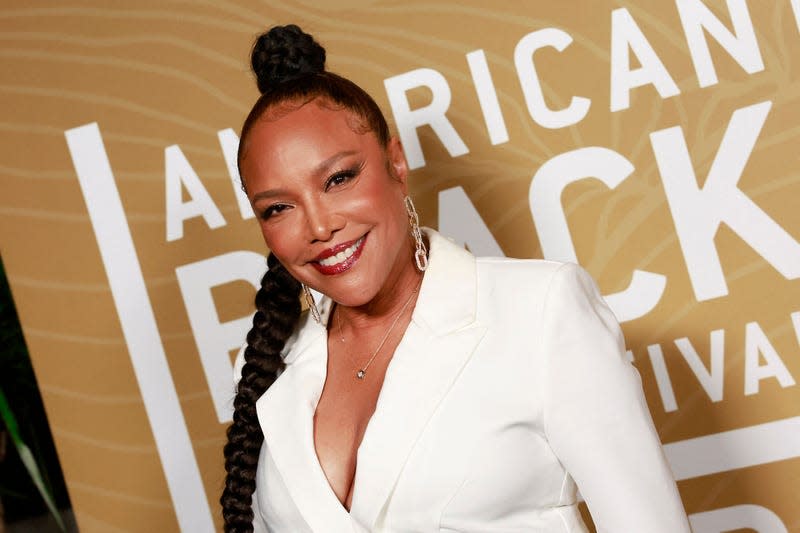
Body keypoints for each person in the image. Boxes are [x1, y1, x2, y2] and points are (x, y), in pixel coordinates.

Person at [221, 24, 691, 533]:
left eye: (339, 179)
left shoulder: (540, 311)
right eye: (279, 208)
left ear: (396, 163)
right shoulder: (270, 368)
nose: (319, 226)